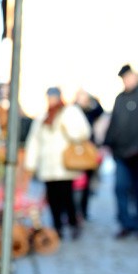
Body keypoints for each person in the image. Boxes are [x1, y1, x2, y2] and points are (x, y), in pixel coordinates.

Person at [23, 87, 91, 240]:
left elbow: (83, 132)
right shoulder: (43, 117)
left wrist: (67, 128)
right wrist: (30, 163)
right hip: (47, 165)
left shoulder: (70, 112)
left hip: (64, 165)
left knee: (67, 196)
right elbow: (34, 141)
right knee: (52, 198)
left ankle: (73, 223)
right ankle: (57, 226)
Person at [104, 64, 138, 240]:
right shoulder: (120, 98)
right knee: (121, 188)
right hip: (121, 153)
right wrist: (108, 142)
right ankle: (126, 223)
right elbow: (114, 123)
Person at [74, 89, 104, 222]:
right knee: (73, 183)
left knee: (86, 183)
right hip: (75, 151)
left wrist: (90, 99)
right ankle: (74, 211)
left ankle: (83, 211)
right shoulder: (73, 111)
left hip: (88, 150)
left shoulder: (91, 110)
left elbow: (100, 111)